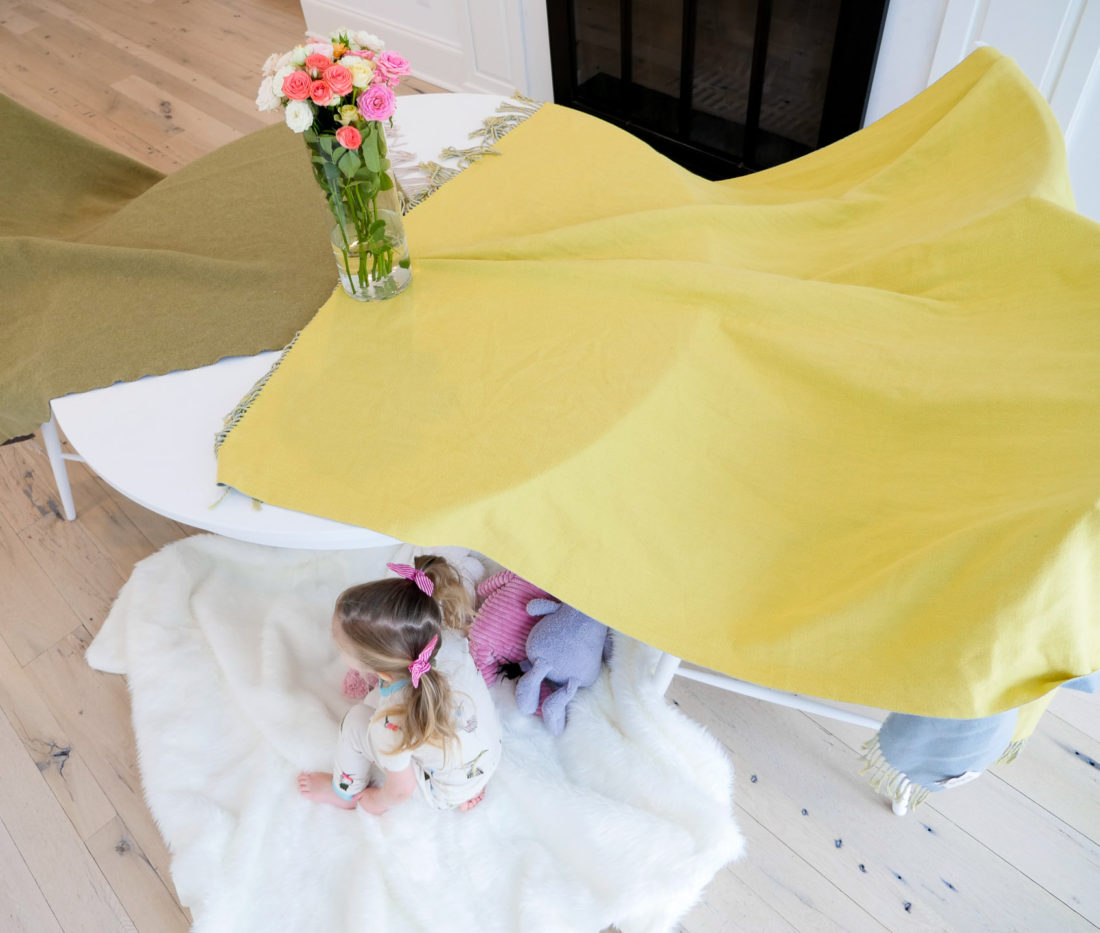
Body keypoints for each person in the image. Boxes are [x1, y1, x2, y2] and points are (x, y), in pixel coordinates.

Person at [298, 555, 502, 814]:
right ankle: (465, 783)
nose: (333, 641)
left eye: (338, 642)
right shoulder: (440, 632)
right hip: (488, 755)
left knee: (356, 721)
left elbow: (400, 789)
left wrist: (377, 801)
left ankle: (345, 792)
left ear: (379, 667)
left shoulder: (391, 723)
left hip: (446, 790)